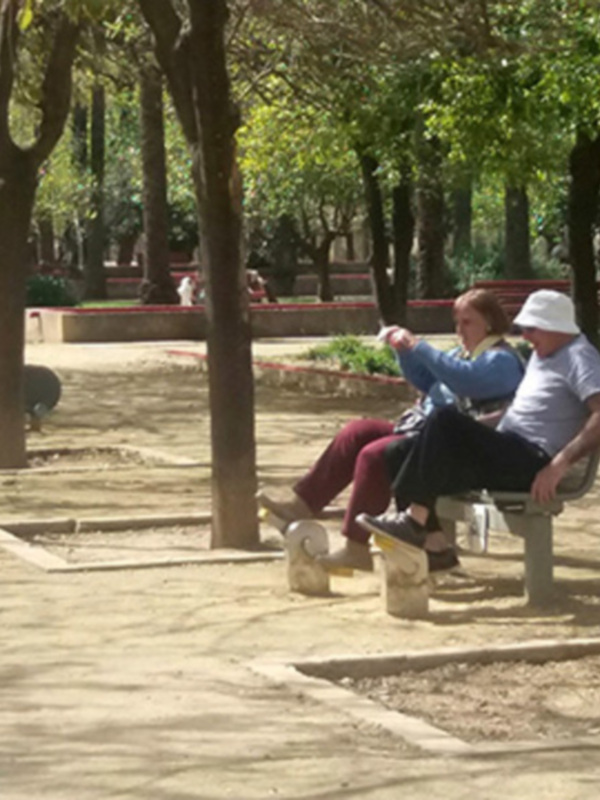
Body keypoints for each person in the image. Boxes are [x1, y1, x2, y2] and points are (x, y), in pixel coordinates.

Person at [257, 288, 525, 572]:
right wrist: (405, 353)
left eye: (467, 322)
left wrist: (419, 346)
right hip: (422, 430)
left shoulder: (501, 361)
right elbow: (426, 379)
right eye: (457, 322)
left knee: (375, 456)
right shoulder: (463, 353)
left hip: (449, 448)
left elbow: (464, 380)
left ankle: (356, 547)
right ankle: (302, 505)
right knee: (357, 431)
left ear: (489, 322)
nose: (459, 330)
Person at [357, 290, 600, 552]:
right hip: (507, 449)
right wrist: (472, 429)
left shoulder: (578, 357)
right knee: (399, 450)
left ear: (556, 326)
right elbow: (518, 413)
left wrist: (559, 464)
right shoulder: (544, 354)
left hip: (531, 460)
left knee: (444, 418)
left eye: (532, 328)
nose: (525, 336)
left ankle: (413, 522)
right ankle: (435, 546)